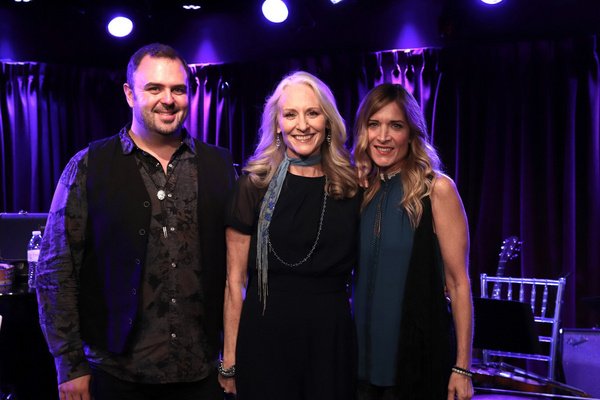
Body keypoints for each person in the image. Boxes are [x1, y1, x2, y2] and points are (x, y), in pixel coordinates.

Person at [36, 43, 236, 400]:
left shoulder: (220, 166)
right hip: (116, 375)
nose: (168, 99)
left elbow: (238, 275)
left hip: (201, 375)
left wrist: (230, 362)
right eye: (154, 88)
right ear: (130, 94)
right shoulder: (87, 166)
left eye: (178, 89)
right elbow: (55, 272)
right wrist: (69, 364)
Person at [219, 71, 360, 400]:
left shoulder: (351, 186)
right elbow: (234, 281)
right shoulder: (252, 187)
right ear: (277, 123)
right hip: (266, 336)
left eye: (312, 112)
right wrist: (230, 360)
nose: (303, 124)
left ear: (328, 120)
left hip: (331, 337)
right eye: (291, 114)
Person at [352, 83, 474, 400]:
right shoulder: (359, 190)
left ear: (412, 133)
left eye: (396, 125)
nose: (383, 137)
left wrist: (462, 368)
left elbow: (459, 284)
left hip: (415, 364)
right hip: (357, 366)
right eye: (373, 124)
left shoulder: (437, 190)